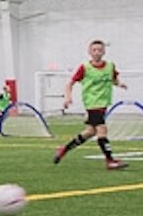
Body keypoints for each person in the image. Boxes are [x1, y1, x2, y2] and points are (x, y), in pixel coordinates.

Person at [53, 40, 129, 170]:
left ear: (104, 51)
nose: (97, 52)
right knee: (102, 130)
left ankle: (64, 148)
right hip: (93, 103)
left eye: (100, 50)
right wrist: (68, 97)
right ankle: (110, 160)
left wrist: (119, 84)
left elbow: (113, 79)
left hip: (103, 103)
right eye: (94, 50)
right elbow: (70, 83)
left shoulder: (110, 66)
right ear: (89, 52)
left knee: (90, 132)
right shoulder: (85, 67)